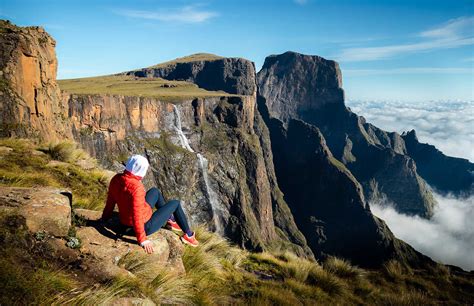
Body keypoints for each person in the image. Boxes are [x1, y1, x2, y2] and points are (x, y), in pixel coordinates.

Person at [101, 154, 199, 253]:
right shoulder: (136, 187)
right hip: (144, 226)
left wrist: (104, 219)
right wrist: (142, 239)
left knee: (154, 191)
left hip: (124, 223)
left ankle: (170, 220)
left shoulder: (116, 179)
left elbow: (110, 203)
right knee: (175, 203)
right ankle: (189, 235)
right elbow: (137, 215)